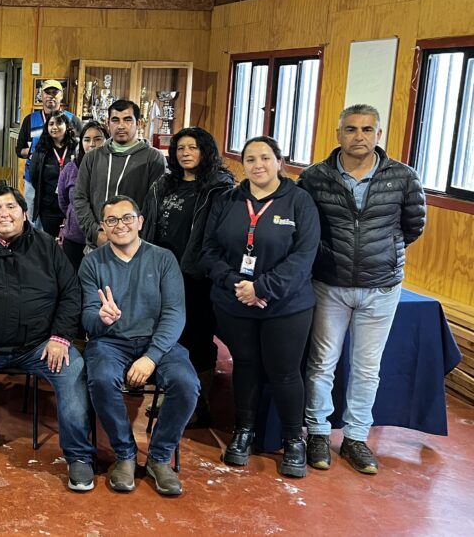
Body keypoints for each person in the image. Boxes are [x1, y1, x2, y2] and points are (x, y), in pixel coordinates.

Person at [0, 186, 97, 492]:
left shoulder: (47, 246)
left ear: (24, 213)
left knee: (73, 375)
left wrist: (60, 337)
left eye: (11, 207)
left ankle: (79, 455)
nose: (4, 214)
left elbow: (71, 293)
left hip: (39, 345)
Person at [299, 104, 426, 475]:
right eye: (351, 129)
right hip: (330, 284)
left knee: (367, 368)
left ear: (378, 135)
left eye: (367, 129)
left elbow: (412, 226)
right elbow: (305, 227)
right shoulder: (315, 177)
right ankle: (318, 432)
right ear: (338, 134)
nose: (359, 136)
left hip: (381, 288)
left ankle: (355, 437)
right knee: (322, 363)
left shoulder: (403, 177)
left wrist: (381, 256)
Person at [200, 136, 320, 478]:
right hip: (235, 300)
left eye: (265, 158)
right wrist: (237, 284)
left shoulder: (300, 202)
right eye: (250, 159)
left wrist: (262, 288)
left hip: (286, 305)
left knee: (285, 372)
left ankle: (294, 440)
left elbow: (304, 256)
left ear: (279, 162)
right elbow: (209, 251)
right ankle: (244, 431)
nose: (258, 165)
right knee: (246, 365)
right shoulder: (227, 199)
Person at [80, 197, 198, 496]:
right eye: (112, 220)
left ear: (140, 221)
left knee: (186, 384)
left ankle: (159, 457)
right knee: (101, 379)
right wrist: (101, 318)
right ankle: (125, 454)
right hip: (110, 342)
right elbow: (87, 318)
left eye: (127, 218)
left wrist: (151, 357)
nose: (120, 225)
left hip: (158, 341)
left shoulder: (163, 259)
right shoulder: (92, 263)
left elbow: (174, 313)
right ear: (103, 226)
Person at [141, 127, 234, 426]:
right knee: (171, 335)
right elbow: (148, 226)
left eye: (193, 147)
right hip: (163, 272)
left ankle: (197, 404)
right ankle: (175, 396)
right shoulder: (163, 184)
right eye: (180, 148)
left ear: (206, 151)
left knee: (198, 338)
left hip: (198, 276)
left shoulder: (219, 187)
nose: (186, 153)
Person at [73, 100, 165, 249]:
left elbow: (155, 207)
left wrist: (130, 238)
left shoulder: (153, 158)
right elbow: (79, 198)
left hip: (135, 247)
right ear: (107, 123)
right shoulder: (92, 157)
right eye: (115, 120)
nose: (121, 126)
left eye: (127, 119)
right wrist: (96, 233)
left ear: (139, 123)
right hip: (97, 246)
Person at [18, 80, 79, 213]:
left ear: (61, 96)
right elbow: (19, 150)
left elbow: (81, 147)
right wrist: (36, 153)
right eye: (47, 92)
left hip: (67, 180)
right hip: (33, 179)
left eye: (55, 93)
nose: (51, 96)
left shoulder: (72, 119)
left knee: (67, 215)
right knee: (34, 218)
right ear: (41, 95)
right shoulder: (30, 119)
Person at [58, 121, 107, 269]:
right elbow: (63, 200)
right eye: (87, 139)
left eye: (97, 139)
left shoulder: (111, 169)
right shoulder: (70, 168)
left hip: (103, 237)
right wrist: (72, 215)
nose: (92, 144)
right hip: (74, 236)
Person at [29, 112, 77, 236]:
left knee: (70, 240)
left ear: (67, 125)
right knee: (50, 241)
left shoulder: (76, 148)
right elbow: (34, 176)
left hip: (72, 205)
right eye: (51, 124)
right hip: (49, 206)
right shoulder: (41, 149)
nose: (54, 127)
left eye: (59, 123)